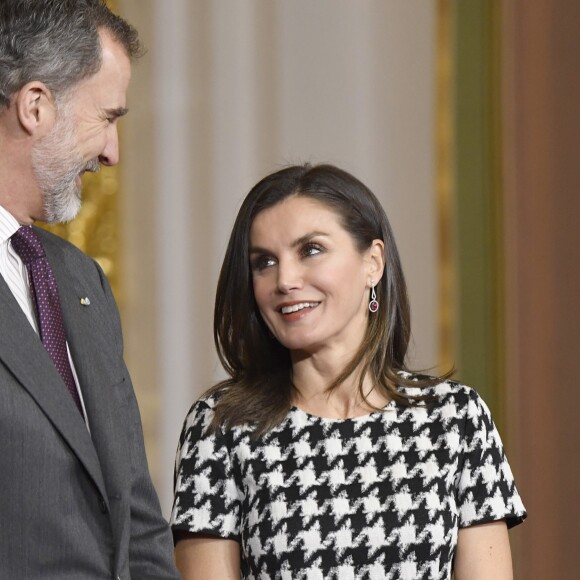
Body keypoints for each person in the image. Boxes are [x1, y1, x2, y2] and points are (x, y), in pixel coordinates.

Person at [171, 163, 527, 579]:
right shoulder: (220, 426)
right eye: (264, 262)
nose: (284, 279)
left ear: (373, 262)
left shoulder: (457, 420)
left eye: (311, 250)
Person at [0, 1, 179, 578]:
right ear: (35, 106)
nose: (113, 151)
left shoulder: (81, 279)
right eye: (107, 116)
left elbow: (137, 510)